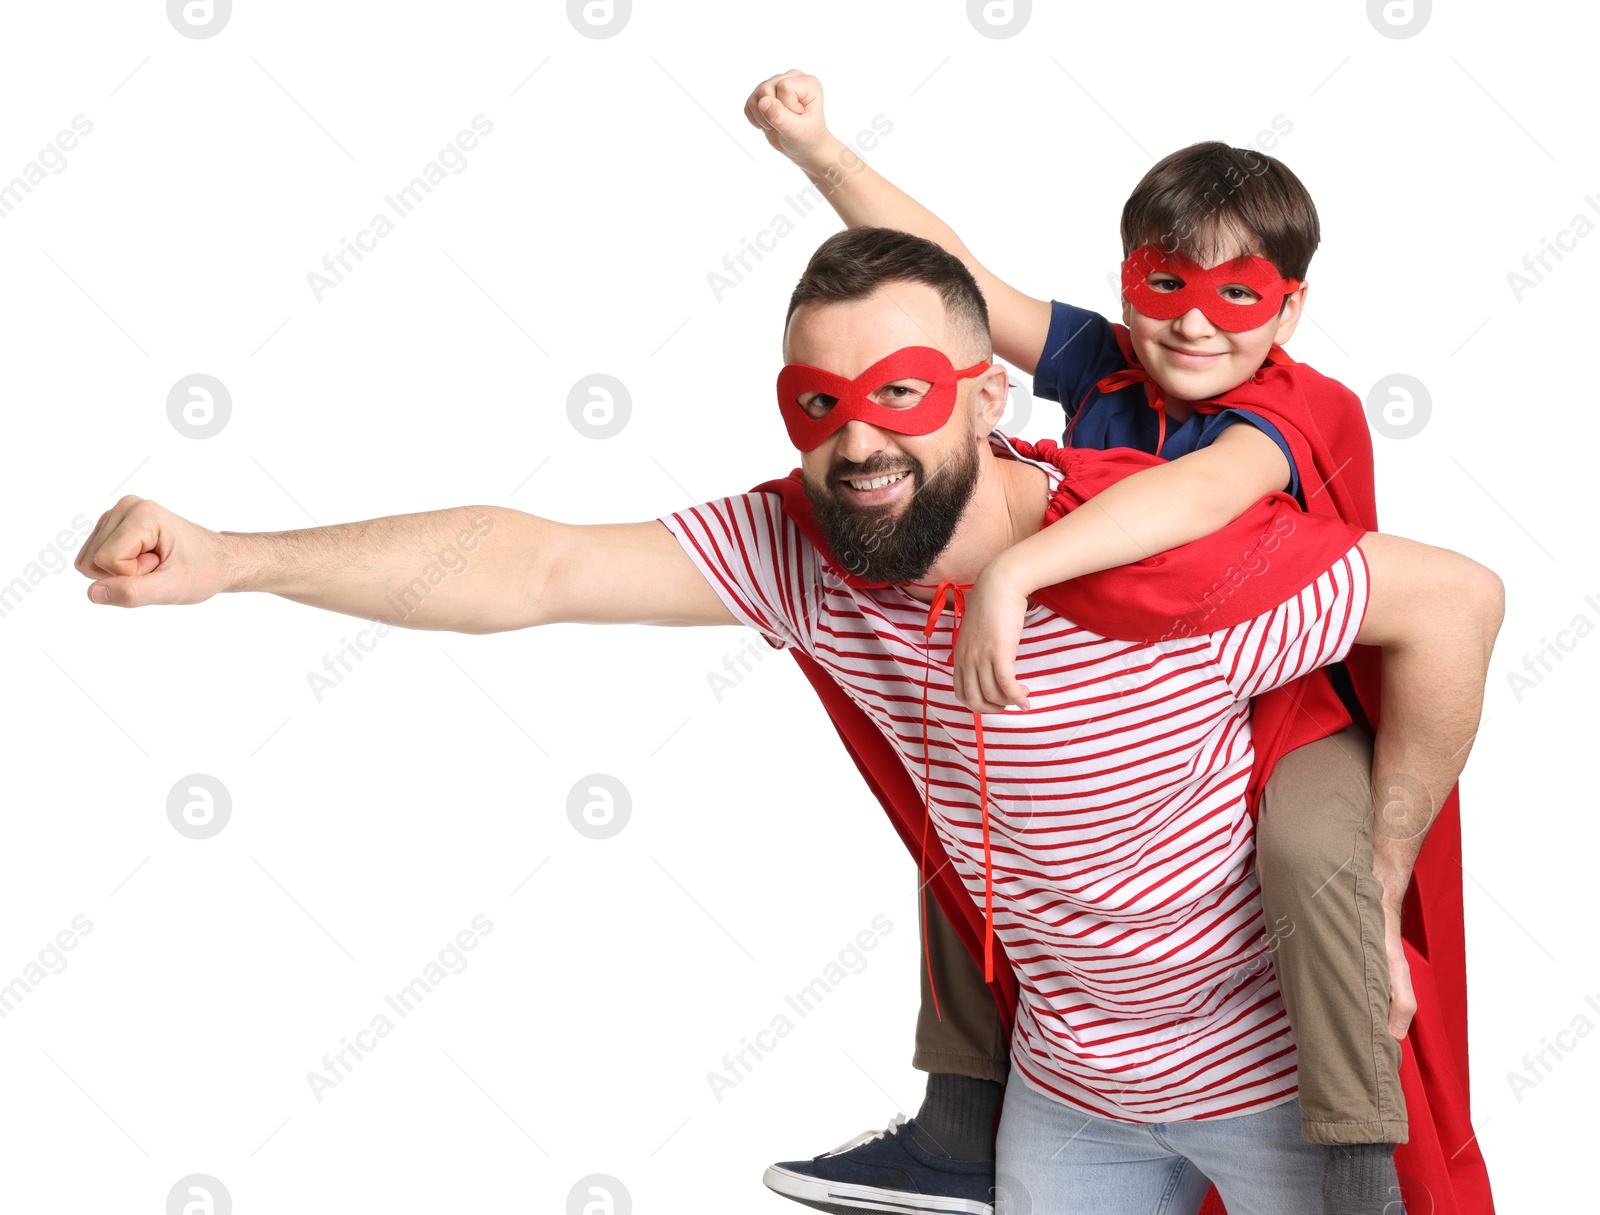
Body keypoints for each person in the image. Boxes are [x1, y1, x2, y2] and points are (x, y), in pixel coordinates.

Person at [72, 227, 1501, 1214]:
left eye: (899, 393)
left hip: (1265, 1095)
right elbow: (537, 560)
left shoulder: (1157, 552)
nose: (855, 441)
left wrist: (1376, 869)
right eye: (816, 403)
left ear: (991, 396)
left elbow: (1455, 602)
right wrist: (233, 558)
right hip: (1063, 1107)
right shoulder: (804, 544)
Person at [743, 70, 1437, 1214]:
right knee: (966, 810)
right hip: (1126, 697)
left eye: (1237, 295)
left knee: (1313, 865)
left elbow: (1206, 498)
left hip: (1279, 709)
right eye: (1163, 284)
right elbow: (951, 275)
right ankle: (959, 1125)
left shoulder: (1301, 406)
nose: (1196, 320)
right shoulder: (1102, 363)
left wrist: (1018, 569)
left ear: (1291, 311)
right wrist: (818, 152)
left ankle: (1359, 1171)